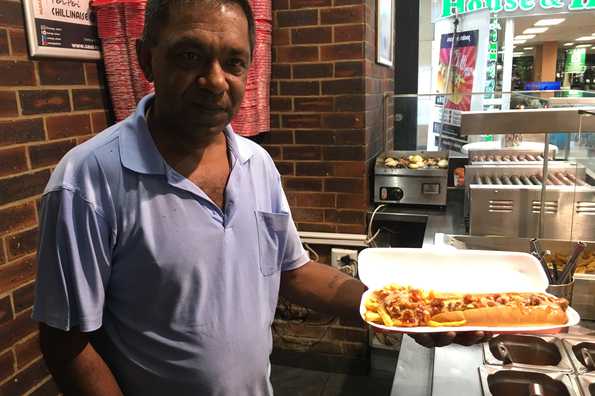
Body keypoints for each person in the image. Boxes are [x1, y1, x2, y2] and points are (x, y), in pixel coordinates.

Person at [32, 1, 488, 395]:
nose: (215, 81)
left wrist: (399, 310)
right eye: (190, 56)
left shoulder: (256, 163)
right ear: (146, 60)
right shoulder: (88, 180)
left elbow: (294, 271)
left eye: (234, 62)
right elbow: (64, 340)